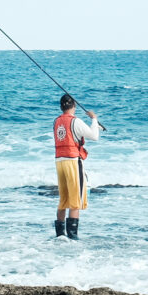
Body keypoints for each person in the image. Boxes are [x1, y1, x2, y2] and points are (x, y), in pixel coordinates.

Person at [52, 92, 101, 239]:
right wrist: (94, 119)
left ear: (61, 107)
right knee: (75, 200)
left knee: (63, 199)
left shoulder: (56, 121)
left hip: (59, 161)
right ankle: (73, 237)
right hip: (73, 161)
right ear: (74, 106)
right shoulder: (75, 121)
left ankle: (60, 235)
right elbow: (94, 136)